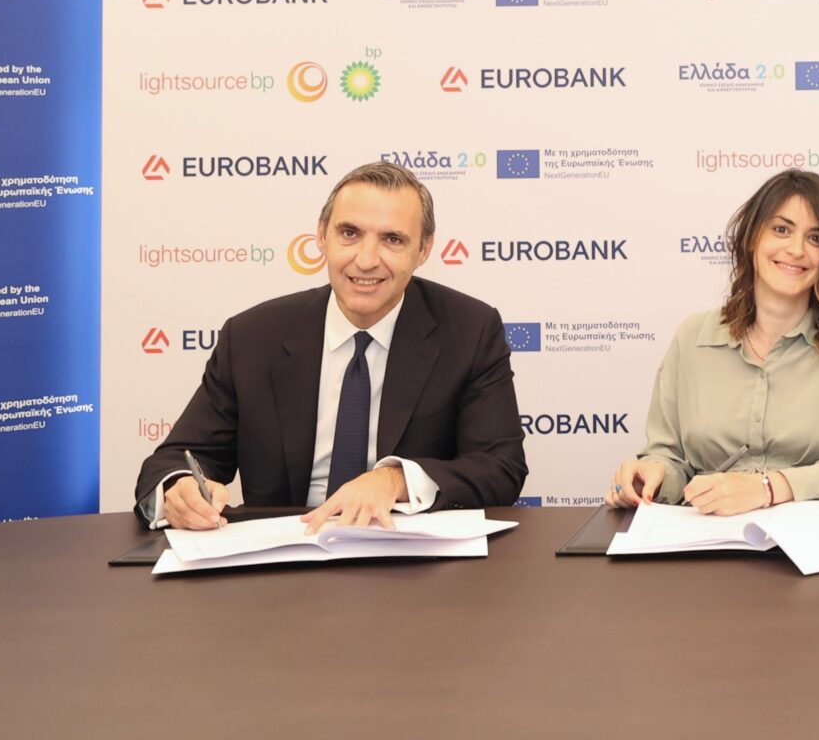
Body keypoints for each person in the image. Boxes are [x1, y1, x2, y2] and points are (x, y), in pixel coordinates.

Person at [134, 161, 526, 529]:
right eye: (349, 233)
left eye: (392, 239)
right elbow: (175, 460)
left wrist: (395, 480)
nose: (366, 260)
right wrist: (179, 490)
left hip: (408, 556)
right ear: (321, 236)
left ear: (423, 250)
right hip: (286, 554)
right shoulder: (252, 337)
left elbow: (500, 467)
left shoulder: (470, 331)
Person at [608, 169, 819, 512]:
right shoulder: (692, 337)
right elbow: (669, 457)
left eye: (816, 238)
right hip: (708, 531)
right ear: (751, 238)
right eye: (781, 229)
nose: (796, 249)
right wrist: (652, 474)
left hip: (818, 533)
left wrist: (768, 489)